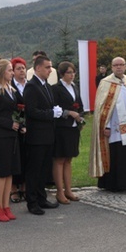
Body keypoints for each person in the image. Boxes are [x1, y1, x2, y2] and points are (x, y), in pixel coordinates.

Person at [89, 57, 126, 191]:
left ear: (125, 66)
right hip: (115, 128)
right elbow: (102, 108)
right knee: (117, 154)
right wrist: (106, 125)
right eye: (116, 65)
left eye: (121, 65)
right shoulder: (106, 83)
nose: (119, 67)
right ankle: (114, 184)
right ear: (112, 67)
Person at [23, 54, 64, 215]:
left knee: (43, 169)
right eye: (47, 67)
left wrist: (56, 111)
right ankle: (32, 202)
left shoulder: (46, 85)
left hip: (48, 135)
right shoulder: (31, 86)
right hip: (36, 136)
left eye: (51, 67)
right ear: (38, 68)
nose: (50, 70)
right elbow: (31, 111)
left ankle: (42, 198)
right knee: (34, 170)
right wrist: (51, 113)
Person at [0, 59, 24, 222]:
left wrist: (20, 124)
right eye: (9, 70)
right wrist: (9, 123)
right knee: (1, 173)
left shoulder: (12, 90)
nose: (12, 73)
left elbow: (16, 111)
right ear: (1, 72)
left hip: (11, 136)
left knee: (9, 173)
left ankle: (6, 205)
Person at [51, 61, 86, 203]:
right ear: (62, 74)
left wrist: (80, 118)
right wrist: (69, 113)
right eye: (69, 73)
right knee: (60, 159)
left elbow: (80, 105)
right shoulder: (56, 88)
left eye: (73, 72)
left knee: (69, 159)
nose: (72, 75)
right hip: (61, 127)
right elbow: (54, 108)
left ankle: (68, 190)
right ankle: (59, 192)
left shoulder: (74, 87)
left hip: (73, 127)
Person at [10, 57, 28, 203]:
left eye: (23, 68)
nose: (22, 71)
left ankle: (25, 187)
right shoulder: (10, 87)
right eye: (18, 68)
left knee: (28, 158)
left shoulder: (29, 86)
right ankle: (14, 189)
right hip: (15, 128)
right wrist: (19, 124)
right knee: (16, 158)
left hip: (29, 127)